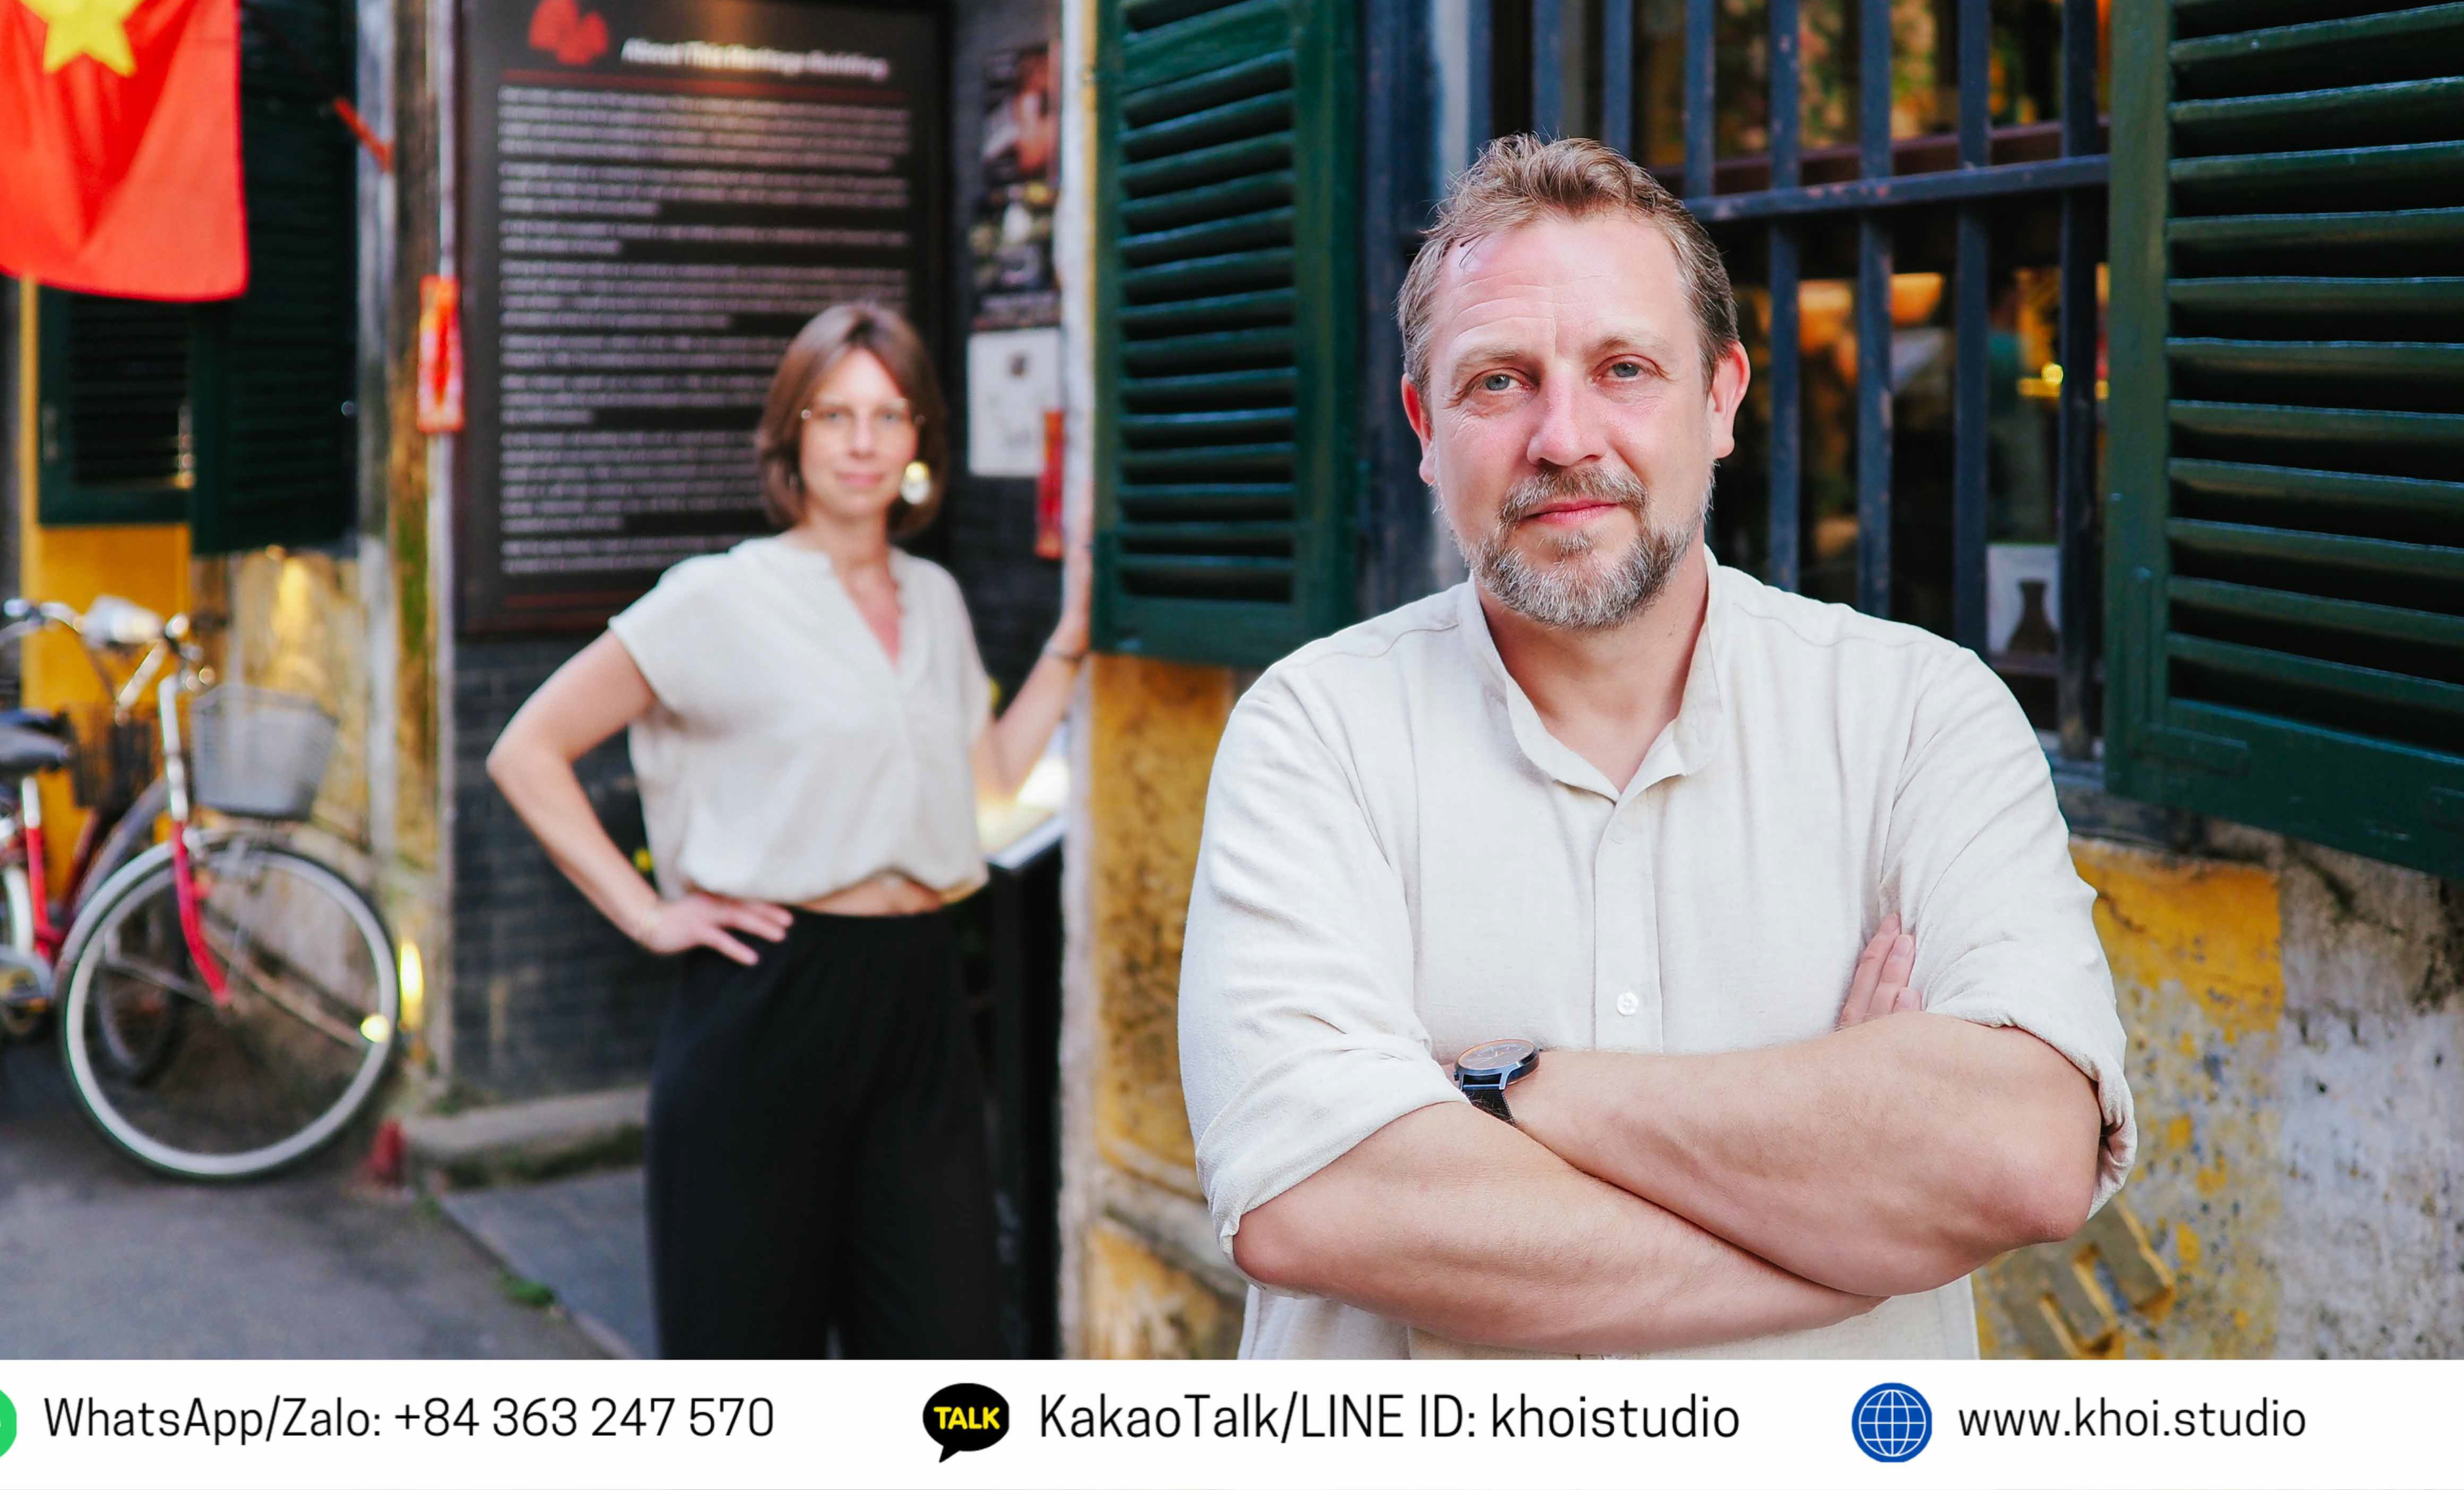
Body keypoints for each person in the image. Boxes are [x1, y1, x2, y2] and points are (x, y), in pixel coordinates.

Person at [1178, 135, 2134, 1359]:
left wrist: (1516, 1086)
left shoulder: (1919, 716)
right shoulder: (1316, 734)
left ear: (1722, 398)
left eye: (1624, 368)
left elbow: (2019, 1153)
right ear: (1424, 424)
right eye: (1497, 382)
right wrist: (1838, 1232)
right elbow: (1321, 1203)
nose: (1564, 436)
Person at [486, 301, 1088, 1358]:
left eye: (890, 415)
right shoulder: (718, 597)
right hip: (768, 998)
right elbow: (527, 750)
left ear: (918, 442)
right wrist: (646, 914)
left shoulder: (935, 596)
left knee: (945, 1348)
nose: (863, 442)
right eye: (834, 414)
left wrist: (1071, 646)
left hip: (920, 998)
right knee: (749, 1354)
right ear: (792, 437)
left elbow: (987, 785)